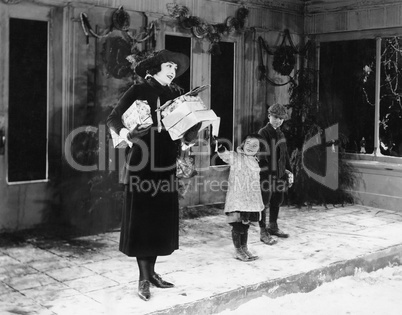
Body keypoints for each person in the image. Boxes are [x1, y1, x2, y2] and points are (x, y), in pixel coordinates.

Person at [107, 50, 189, 301]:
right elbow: (113, 119)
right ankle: (143, 278)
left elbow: (179, 130)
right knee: (143, 222)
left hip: (166, 165)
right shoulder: (138, 90)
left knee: (159, 221)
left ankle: (152, 273)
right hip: (142, 166)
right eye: (168, 65)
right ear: (153, 69)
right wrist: (127, 136)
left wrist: (191, 132)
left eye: (175, 66)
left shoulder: (176, 93)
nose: (173, 70)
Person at [216, 134, 265, 262]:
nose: (251, 147)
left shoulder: (255, 161)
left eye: (255, 145)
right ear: (243, 144)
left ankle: (244, 247)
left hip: (249, 200)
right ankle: (238, 250)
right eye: (248, 143)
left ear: (258, 149)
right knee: (237, 226)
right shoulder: (236, 157)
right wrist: (220, 147)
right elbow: (225, 155)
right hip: (237, 199)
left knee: (246, 225)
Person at [258, 103, 293, 244]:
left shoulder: (280, 133)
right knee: (264, 202)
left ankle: (273, 226)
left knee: (277, 200)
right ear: (269, 116)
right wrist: (269, 174)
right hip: (267, 175)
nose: (278, 120)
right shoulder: (263, 133)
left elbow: (284, 154)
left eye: (281, 118)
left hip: (279, 174)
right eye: (275, 117)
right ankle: (263, 231)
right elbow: (262, 157)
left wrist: (288, 170)